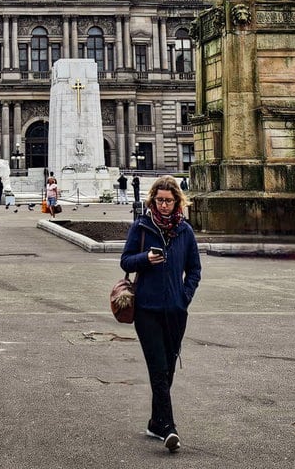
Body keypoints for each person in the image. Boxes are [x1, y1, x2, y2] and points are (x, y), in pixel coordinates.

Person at [120, 175, 201, 453]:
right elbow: (125, 261)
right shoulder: (141, 227)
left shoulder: (185, 231)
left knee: (166, 371)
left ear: (177, 201)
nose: (164, 205)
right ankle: (169, 428)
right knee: (157, 369)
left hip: (175, 311)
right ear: (152, 199)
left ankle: (156, 422)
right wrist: (145, 259)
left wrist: (184, 296)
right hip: (146, 309)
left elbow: (195, 270)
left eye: (169, 200)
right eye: (159, 200)